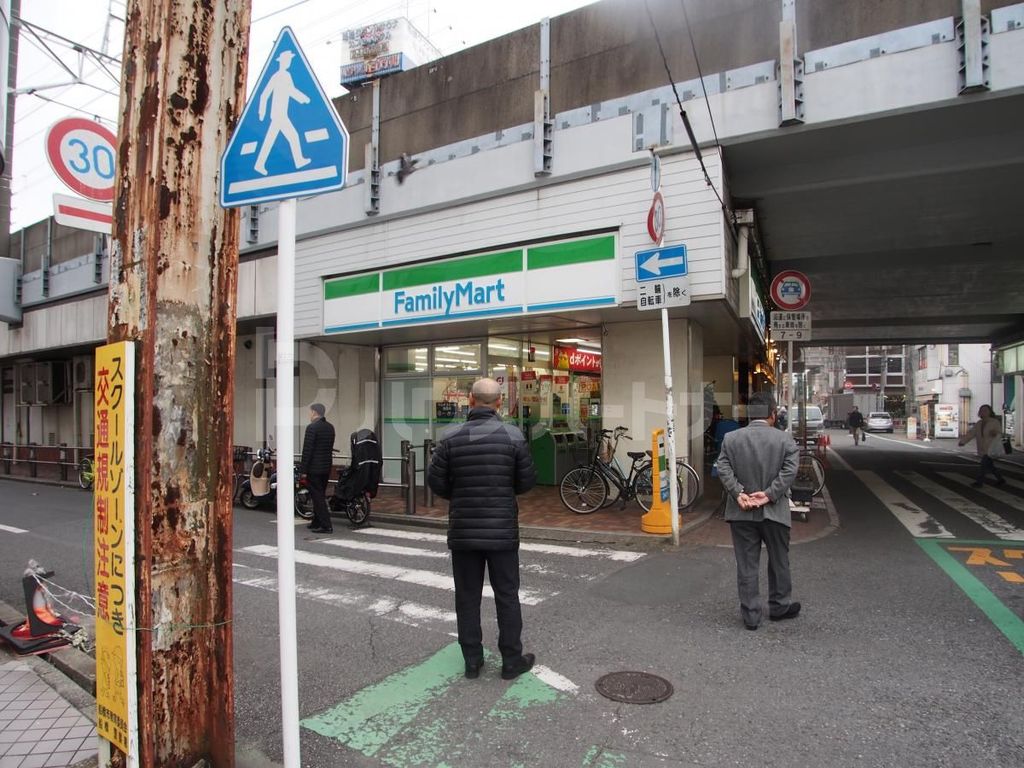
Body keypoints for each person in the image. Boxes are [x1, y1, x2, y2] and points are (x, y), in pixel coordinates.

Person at [428, 378, 537, 680]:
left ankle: (472, 661)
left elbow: (436, 482)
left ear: (471, 401)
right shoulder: (513, 436)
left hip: (464, 528)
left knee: (466, 596)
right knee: (507, 595)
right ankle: (512, 660)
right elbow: (527, 481)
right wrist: (503, 490)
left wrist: (460, 494)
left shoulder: (450, 436)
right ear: (499, 403)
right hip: (502, 529)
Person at [715, 391, 801, 631]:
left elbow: (723, 467)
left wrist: (738, 492)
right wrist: (769, 494)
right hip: (775, 511)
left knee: (747, 564)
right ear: (773, 414)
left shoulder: (731, 439)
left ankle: (751, 615)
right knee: (779, 560)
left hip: (741, 510)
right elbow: (789, 471)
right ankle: (779, 606)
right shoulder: (785, 441)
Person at [299, 403, 336, 533]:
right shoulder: (330, 427)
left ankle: (326, 525)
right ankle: (316, 522)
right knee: (319, 495)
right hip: (326, 468)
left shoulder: (312, 428)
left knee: (318, 497)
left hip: (314, 468)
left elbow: (307, 450)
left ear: (314, 412)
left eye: (310, 412)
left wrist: (303, 471)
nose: (309, 414)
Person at [958, 404, 1007, 488]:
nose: (983, 412)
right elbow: (971, 433)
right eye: (981, 410)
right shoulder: (979, 423)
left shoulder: (994, 422)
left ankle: (979, 482)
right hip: (982, 448)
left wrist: (995, 433)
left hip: (991, 447)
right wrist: (963, 441)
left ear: (989, 412)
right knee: (990, 466)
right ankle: (1000, 479)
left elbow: (1000, 433)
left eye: (985, 410)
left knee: (983, 465)